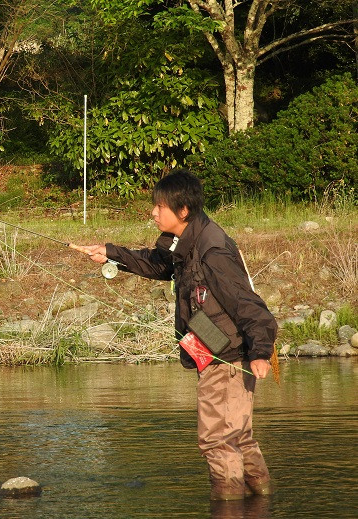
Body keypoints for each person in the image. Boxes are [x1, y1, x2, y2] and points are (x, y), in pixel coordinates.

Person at [70, 169, 277, 501]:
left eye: (160, 206)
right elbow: (158, 264)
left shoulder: (213, 251)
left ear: (183, 211)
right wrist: (111, 254)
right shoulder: (188, 239)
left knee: (216, 439)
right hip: (218, 352)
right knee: (237, 436)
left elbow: (251, 307)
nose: (153, 212)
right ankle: (261, 500)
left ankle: (228, 504)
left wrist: (261, 352)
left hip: (227, 356)